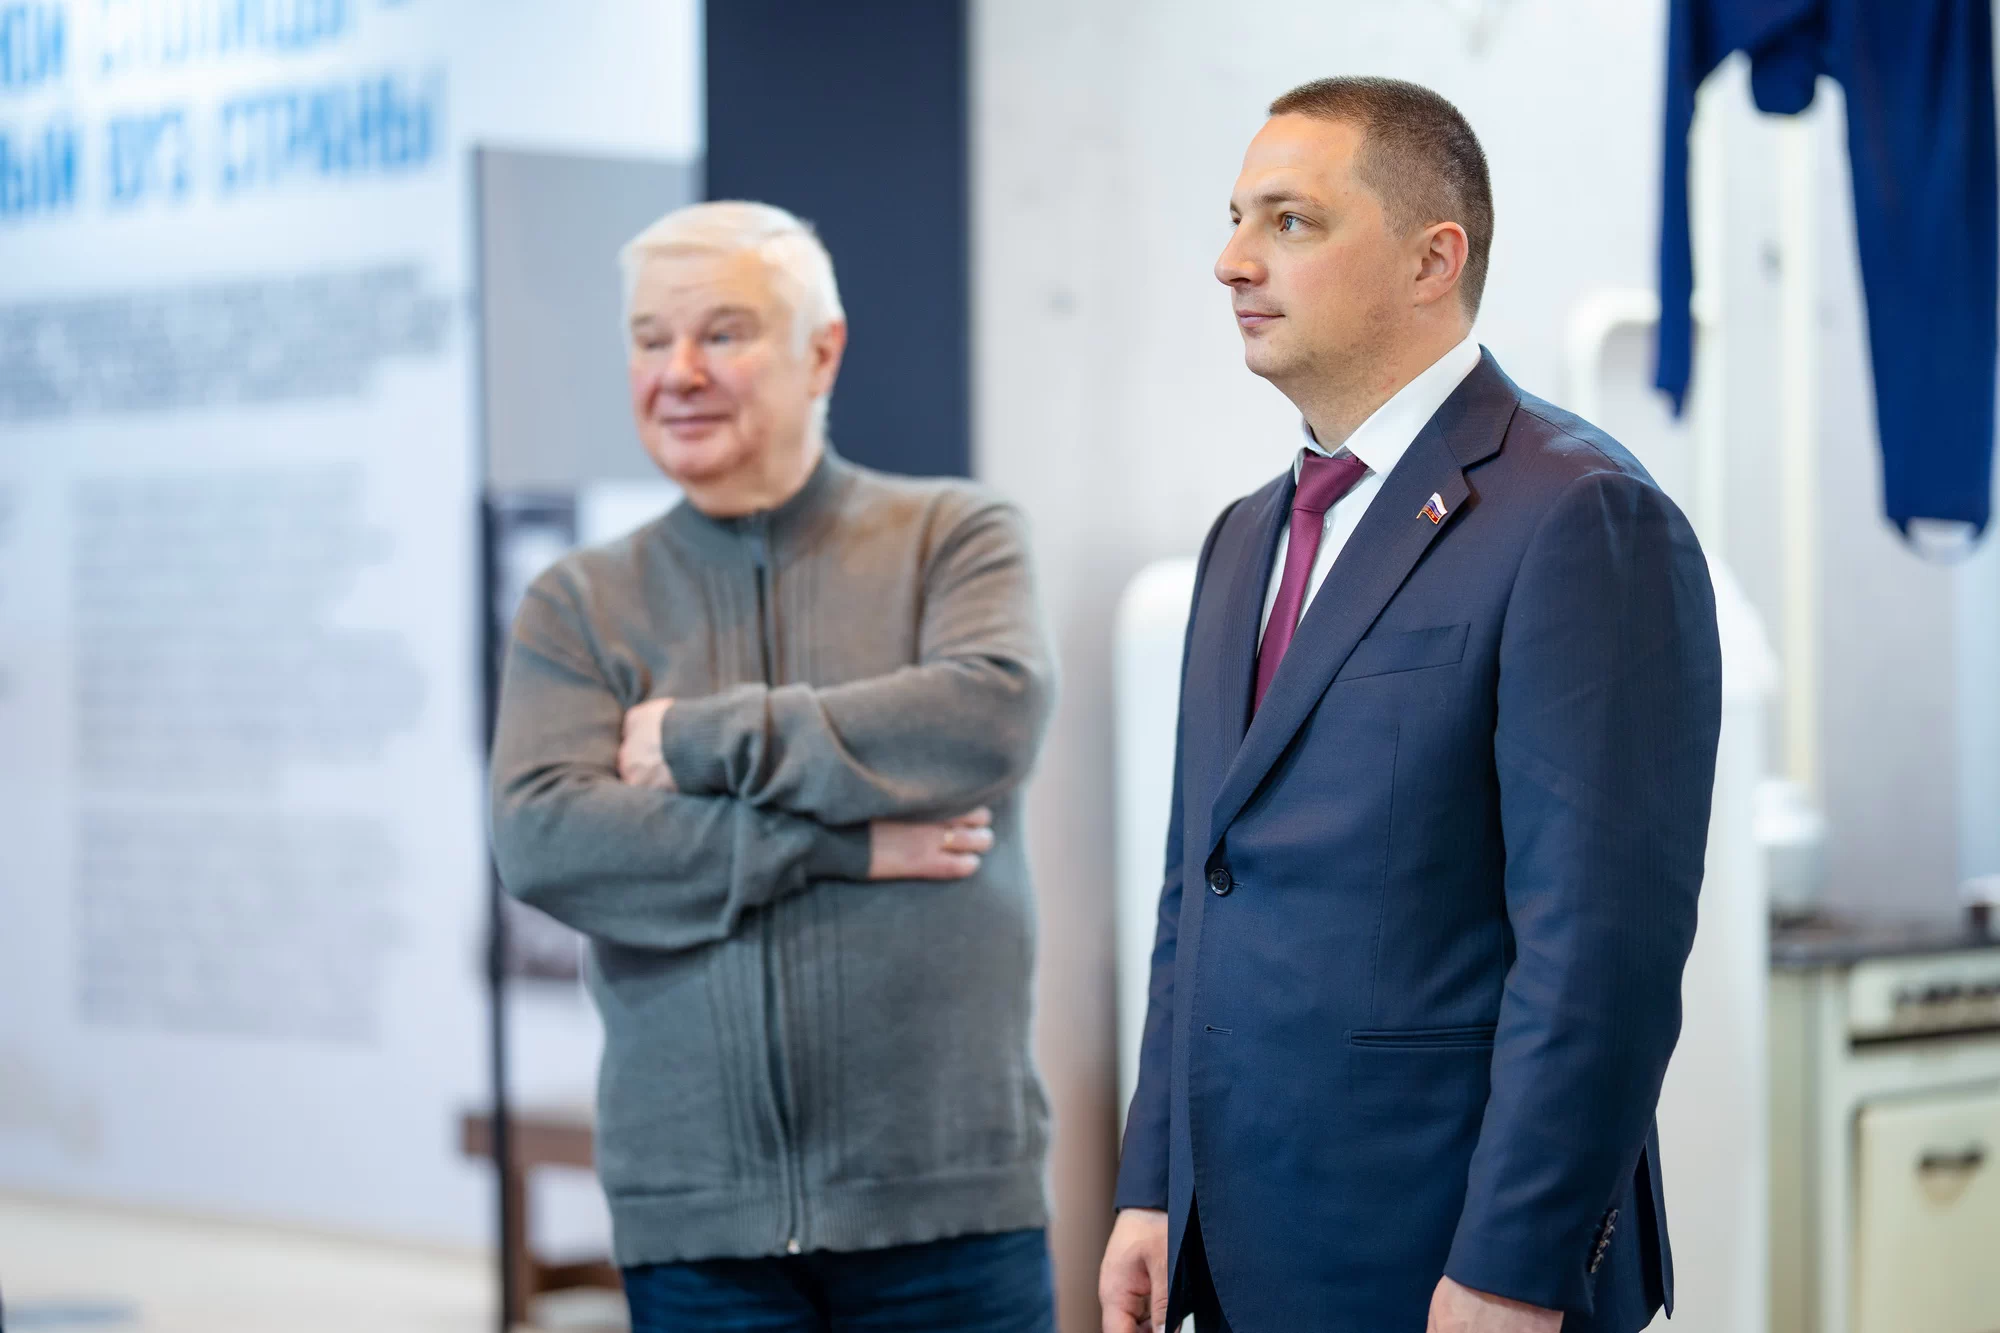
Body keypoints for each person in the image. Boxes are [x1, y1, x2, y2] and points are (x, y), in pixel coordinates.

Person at [1099, 78, 1722, 1333]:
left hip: (1448, 1256)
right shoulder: (1241, 540)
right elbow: (1196, 894)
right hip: (1240, 1245)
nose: (1231, 261)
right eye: (1235, 219)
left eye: (1288, 221)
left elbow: (1596, 950)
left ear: (1432, 259)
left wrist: (1513, 1263)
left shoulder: (1577, 513)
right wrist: (1155, 1184)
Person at [490, 201, 1059, 1333]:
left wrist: (695, 739)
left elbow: (986, 718)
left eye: (723, 333)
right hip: (700, 1236)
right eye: (651, 339)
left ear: (822, 352)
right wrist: (848, 842)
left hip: (949, 1217)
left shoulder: (954, 535)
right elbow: (546, 839)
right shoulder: (579, 602)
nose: (679, 372)